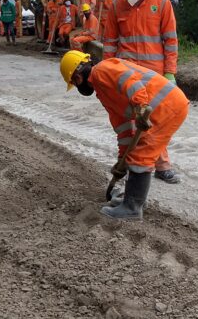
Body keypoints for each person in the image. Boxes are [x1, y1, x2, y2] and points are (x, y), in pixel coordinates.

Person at [59, 50, 189, 220]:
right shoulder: (103, 91)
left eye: (74, 84)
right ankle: (133, 199)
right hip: (162, 110)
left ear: (77, 77)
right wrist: (122, 161)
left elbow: (131, 82)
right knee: (135, 156)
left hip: (166, 108)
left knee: (141, 156)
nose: (77, 87)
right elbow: (123, 127)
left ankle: (132, 208)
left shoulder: (102, 70)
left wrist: (141, 106)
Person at [101, 0, 182, 184]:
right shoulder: (117, 7)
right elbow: (109, 43)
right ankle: (130, 162)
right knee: (132, 122)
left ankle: (162, 166)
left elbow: (170, 41)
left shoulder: (161, 3)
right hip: (128, 75)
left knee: (155, 120)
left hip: (155, 75)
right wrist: (107, 71)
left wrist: (170, 72)